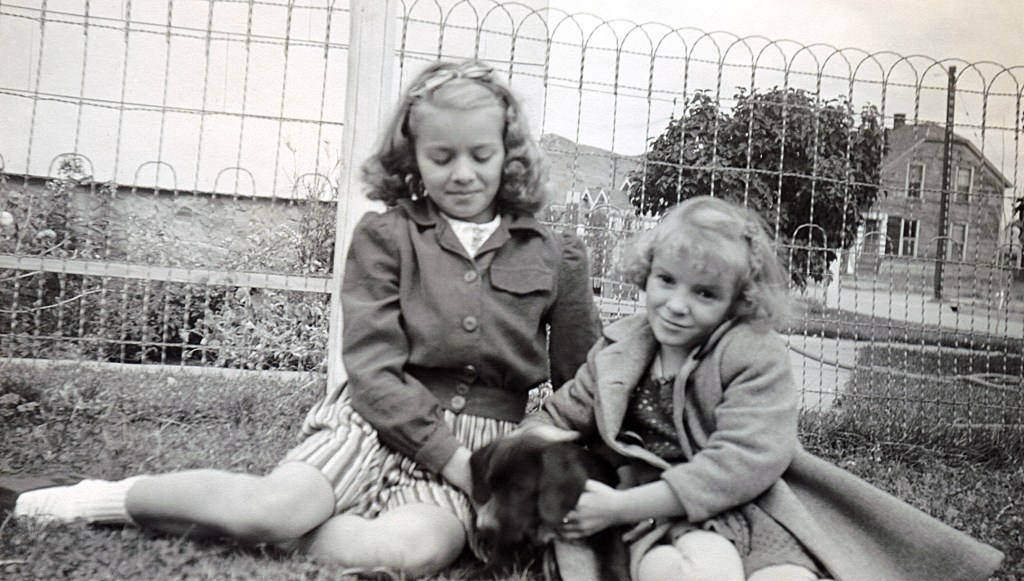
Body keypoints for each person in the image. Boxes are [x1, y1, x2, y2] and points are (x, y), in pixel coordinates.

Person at [3, 59, 602, 578]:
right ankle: (103, 499)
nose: (463, 173)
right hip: (373, 424)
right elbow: (370, 367)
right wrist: (451, 458)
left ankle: (265, 528)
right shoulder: (386, 237)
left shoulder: (554, 253)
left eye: (481, 155)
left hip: (482, 449)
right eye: (441, 157)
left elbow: (588, 376)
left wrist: (529, 441)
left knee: (402, 553)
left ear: (509, 154)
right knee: (271, 510)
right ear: (413, 157)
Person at [519, 195, 1004, 581]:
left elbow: (743, 461)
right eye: (666, 280)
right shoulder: (620, 348)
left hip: (752, 507)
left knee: (787, 576)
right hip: (662, 517)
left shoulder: (752, 353)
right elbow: (558, 418)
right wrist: (529, 457)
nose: (676, 305)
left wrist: (620, 506)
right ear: (646, 274)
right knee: (685, 571)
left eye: (704, 293)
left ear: (737, 300)